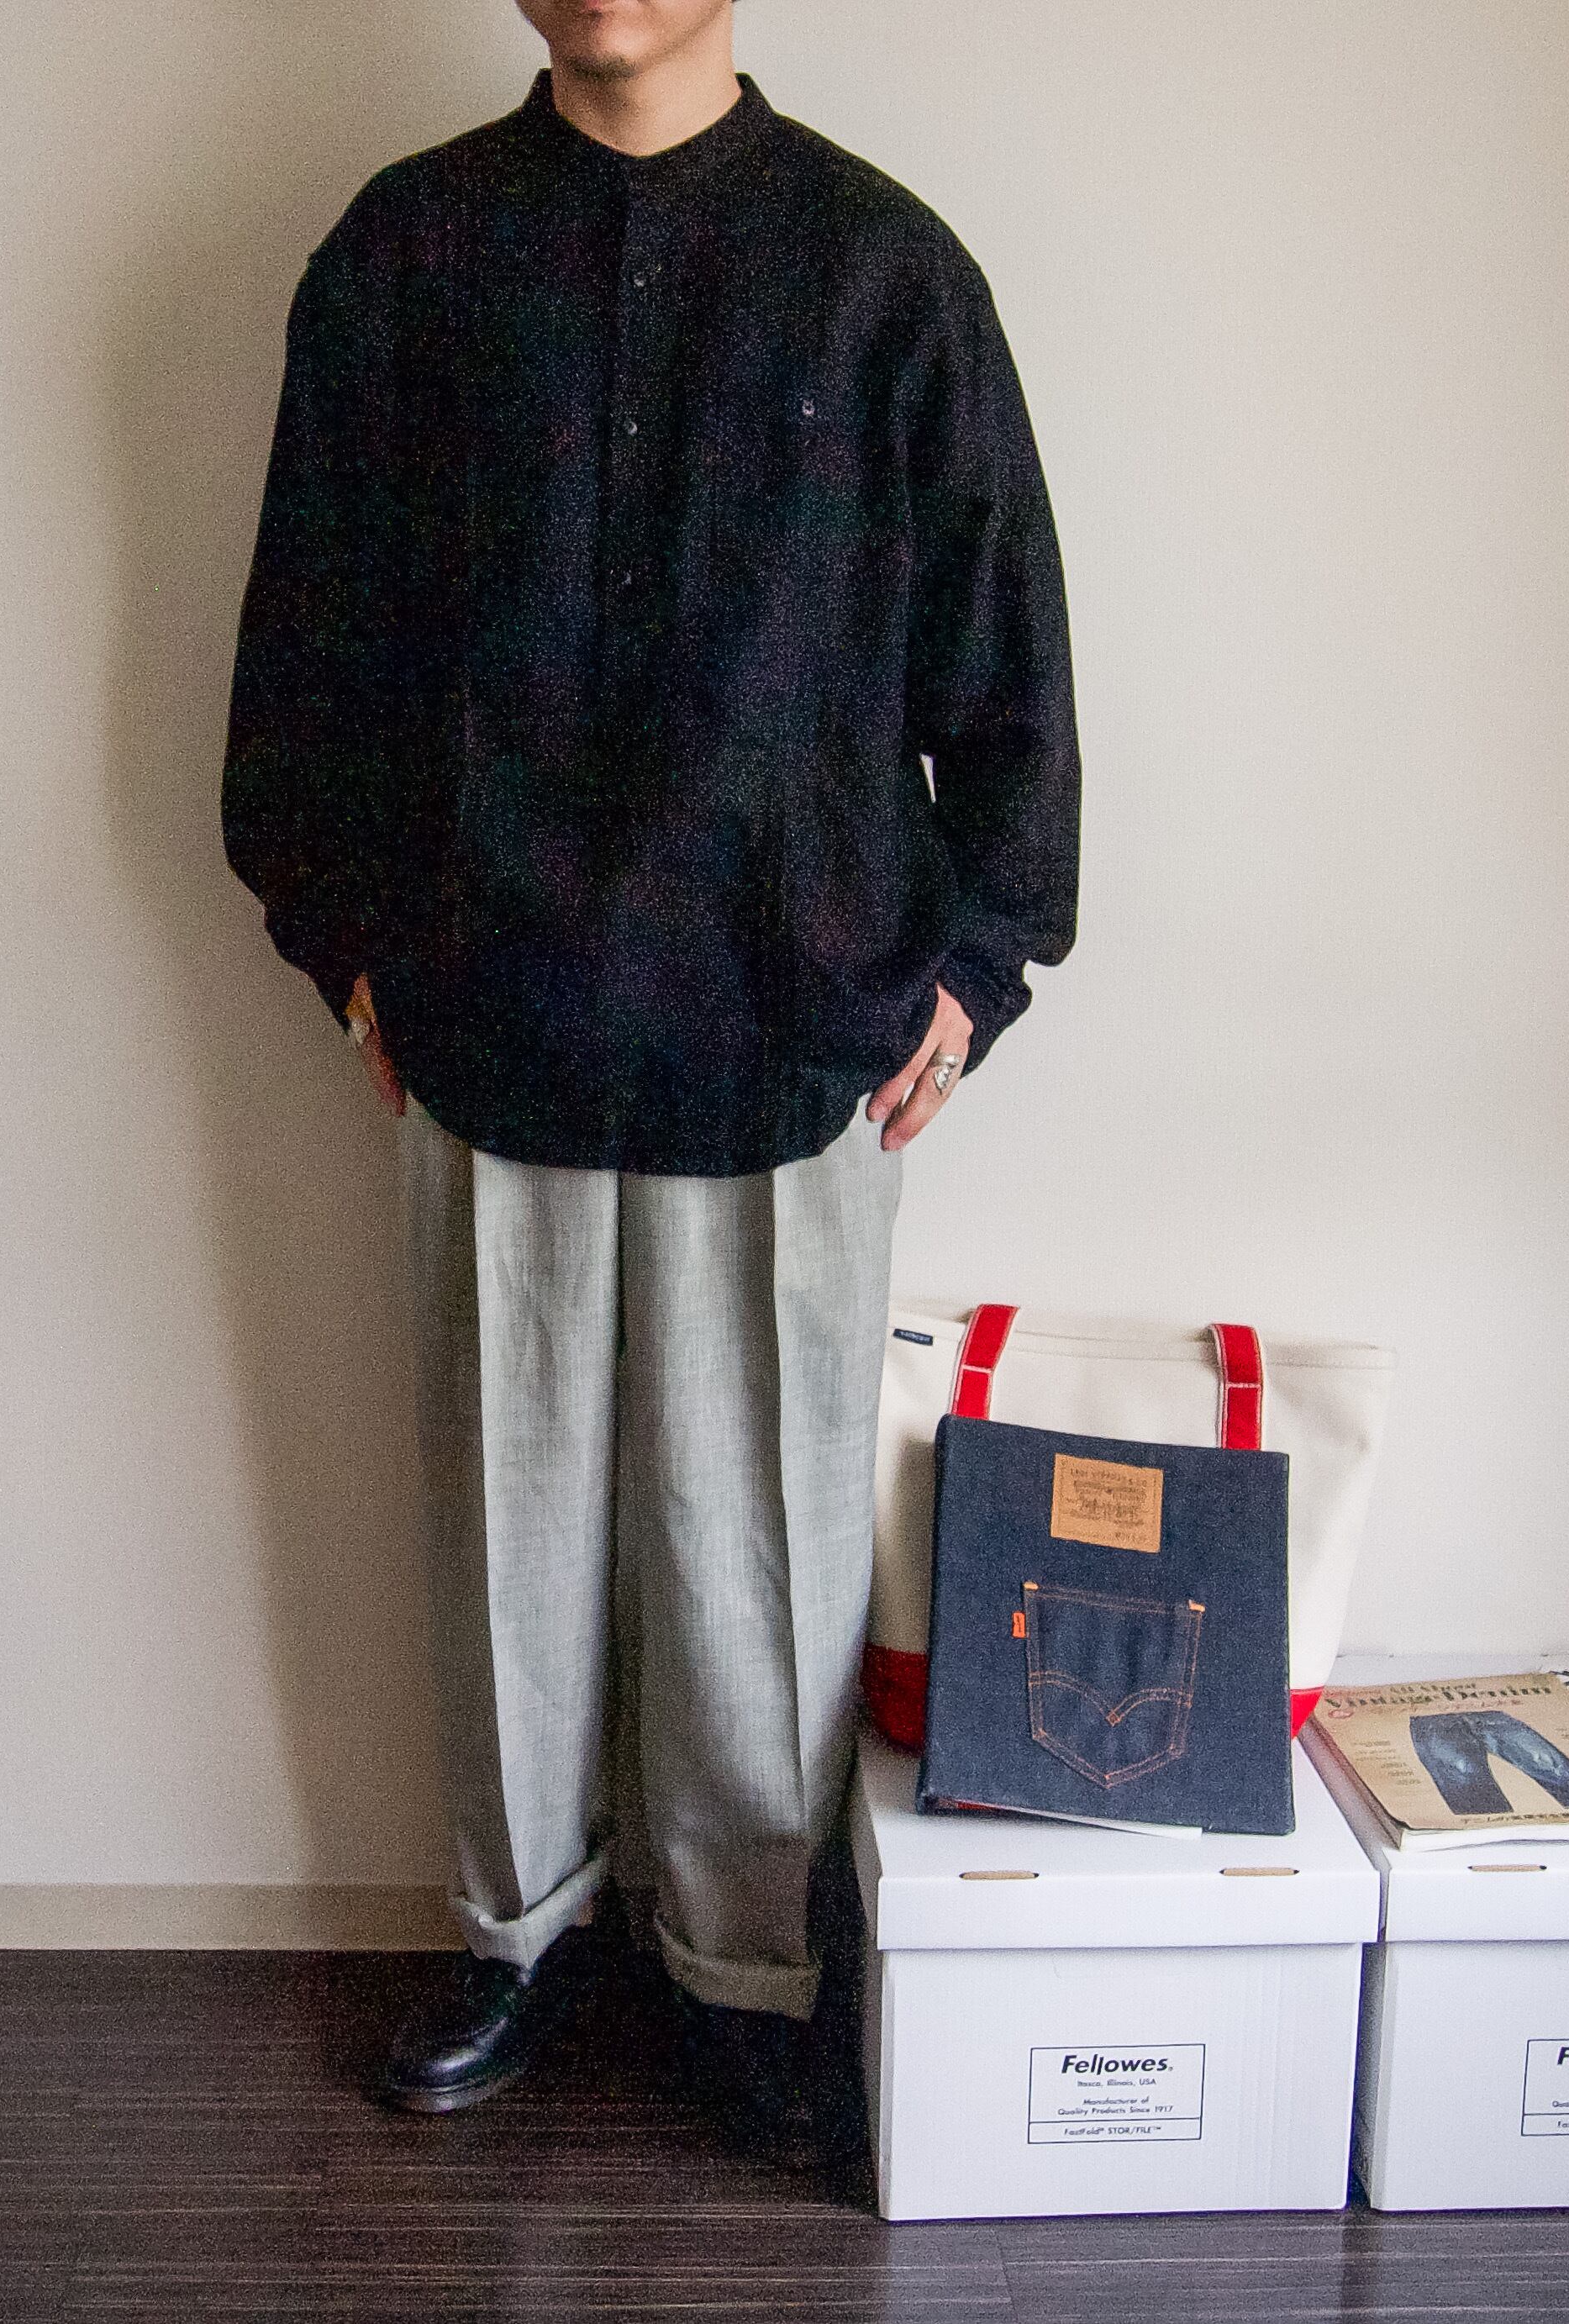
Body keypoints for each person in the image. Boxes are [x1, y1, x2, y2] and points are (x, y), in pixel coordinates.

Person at [223, 0, 1079, 2138]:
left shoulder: (886, 273)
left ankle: (746, 1960)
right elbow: (307, 641)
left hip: (798, 1021)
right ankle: (515, 1930)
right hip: (483, 1002)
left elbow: (1005, 656)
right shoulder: (406, 256)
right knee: (498, 1517)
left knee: (753, 1542)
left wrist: (980, 963)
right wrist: (347, 946)